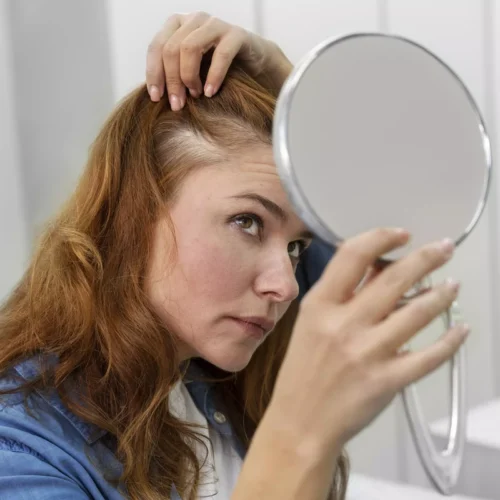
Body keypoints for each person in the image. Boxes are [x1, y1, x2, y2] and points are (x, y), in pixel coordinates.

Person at [0, 12, 468, 500]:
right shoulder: (21, 455)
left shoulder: (205, 366)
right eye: (247, 222)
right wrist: (300, 437)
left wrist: (293, 93)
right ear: (134, 214)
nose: (286, 286)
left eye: (297, 247)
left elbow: (386, 231)